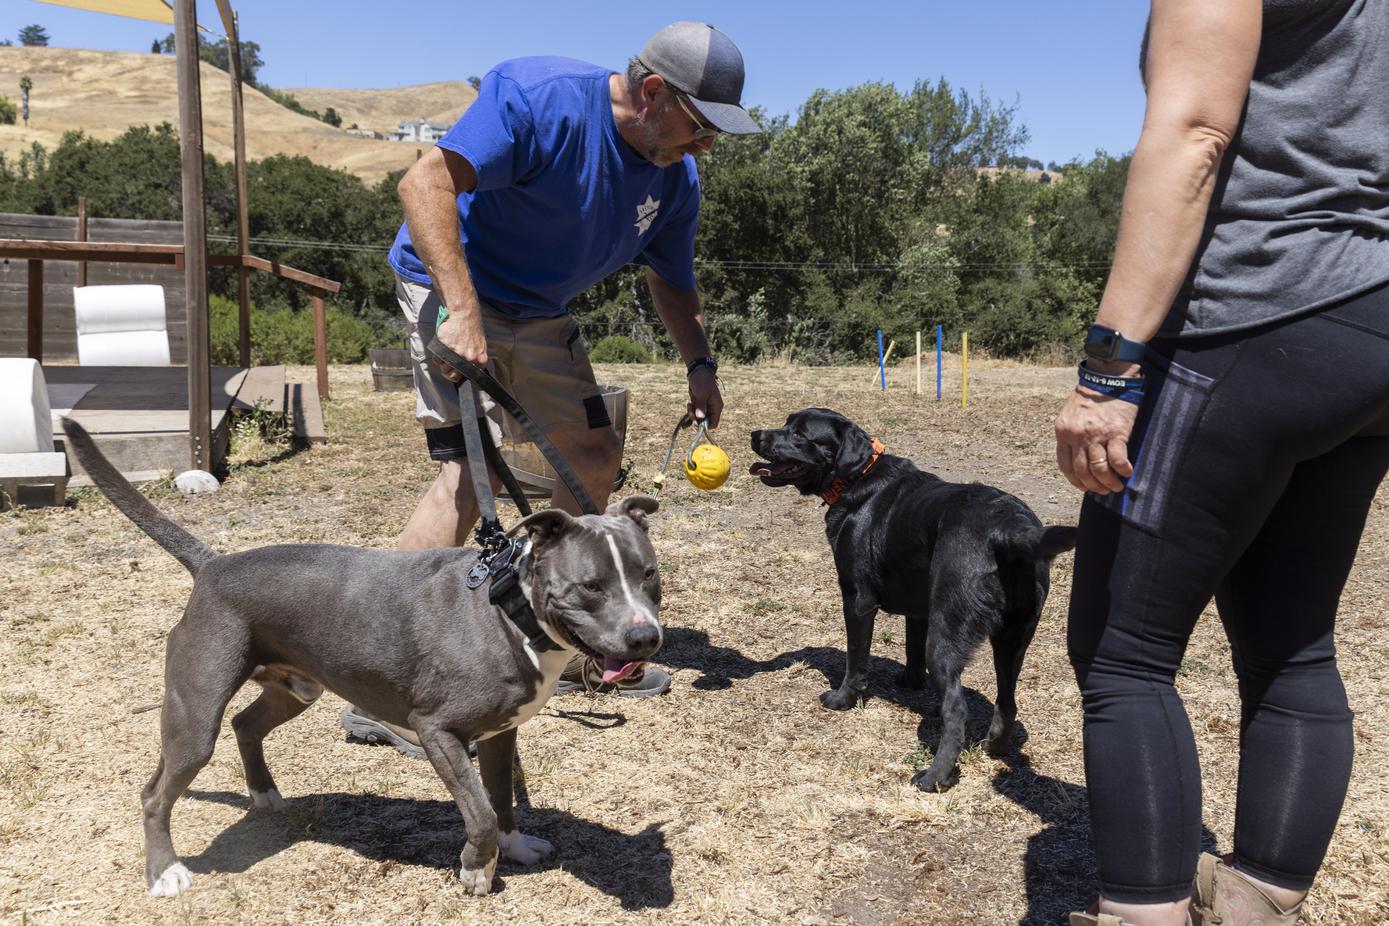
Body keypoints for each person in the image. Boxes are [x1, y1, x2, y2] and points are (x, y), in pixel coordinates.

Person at [339, 22, 762, 759]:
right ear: (652, 91)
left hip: (537, 311)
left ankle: (553, 629)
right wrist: (461, 312)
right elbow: (423, 181)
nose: (706, 146)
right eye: (699, 126)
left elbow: (673, 280)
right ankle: (385, 688)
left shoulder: (672, 178)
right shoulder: (540, 99)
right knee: (468, 474)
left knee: (593, 453)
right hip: (449, 286)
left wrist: (700, 365)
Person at [1055, 1, 1389, 924]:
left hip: (1256, 309)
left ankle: (1144, 912)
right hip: (1369, 322)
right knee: (1291, 640)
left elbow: (1194, 132)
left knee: (1123, 652)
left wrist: (1108, 368)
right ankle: (1256, 899)